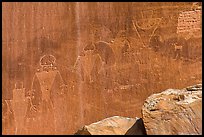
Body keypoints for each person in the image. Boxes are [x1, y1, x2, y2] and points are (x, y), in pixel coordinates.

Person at [25, 54, 68, 134]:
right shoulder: (38, 75)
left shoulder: (56, 73)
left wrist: (60, 99)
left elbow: (61, 87)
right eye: (45, 65)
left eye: (49, 64)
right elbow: (33, 89)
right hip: (41, 102)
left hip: (53, 102)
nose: (47, 67)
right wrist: (33, 103)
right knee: (42, 120)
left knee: (54, 120)